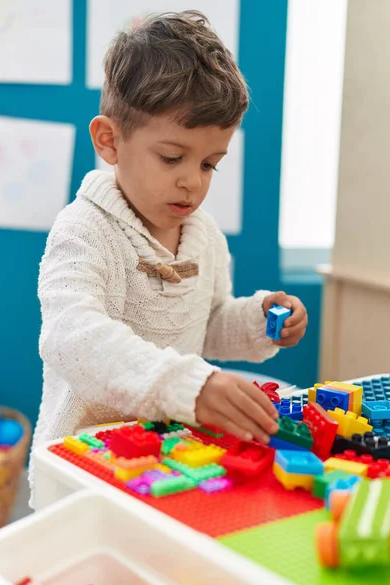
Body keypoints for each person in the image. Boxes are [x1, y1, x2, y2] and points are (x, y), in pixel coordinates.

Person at [29, 11, 308, 500]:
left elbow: (208, 321)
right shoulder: (84, 230)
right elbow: (71, 336)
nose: (192, 181)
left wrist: (258, 320)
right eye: (172, 157)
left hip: (170, 462)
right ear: (110, 141)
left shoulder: (204, 236)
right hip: (84, 471)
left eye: (208, 164)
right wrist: (189, 386)